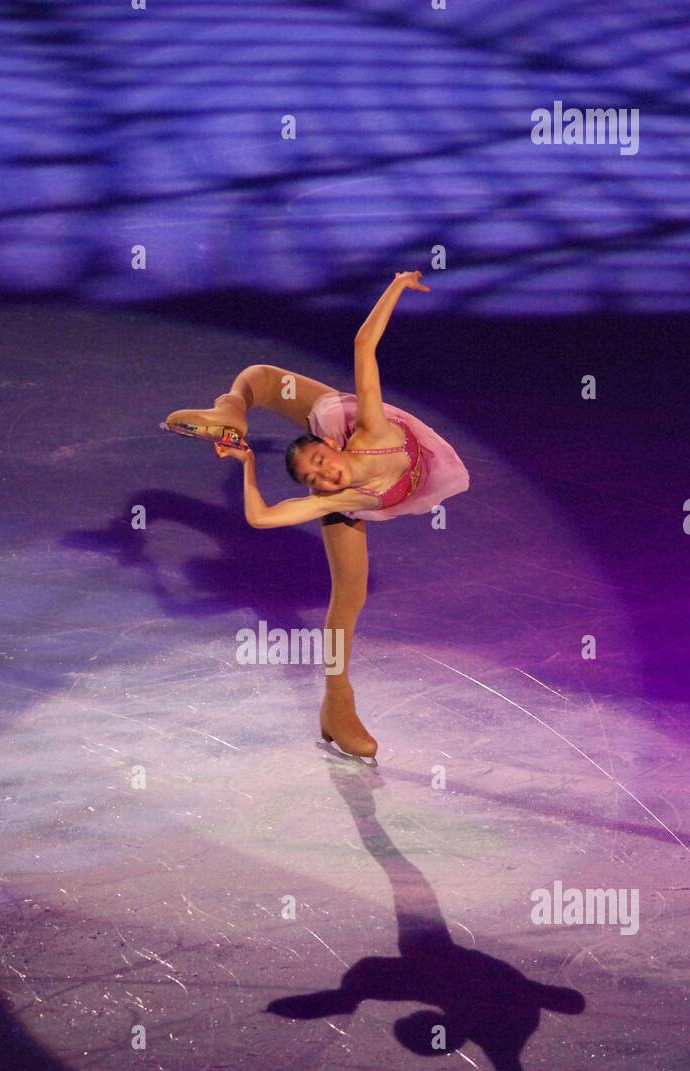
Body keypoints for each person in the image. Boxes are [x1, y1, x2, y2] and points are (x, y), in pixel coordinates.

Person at [161, 272, 470, 762]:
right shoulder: (336, 497)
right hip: (363, 493)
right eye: (316, 481)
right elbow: (262, 519)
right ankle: (337, 702)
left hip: (366, 439)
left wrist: (395, 285)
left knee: (266, 378)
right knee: (349, 596)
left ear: (329, 445)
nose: (324, 478)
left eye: (322, 465)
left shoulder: (365, 427)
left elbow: (364, 343)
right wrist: (246, 466)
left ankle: (231, 408)